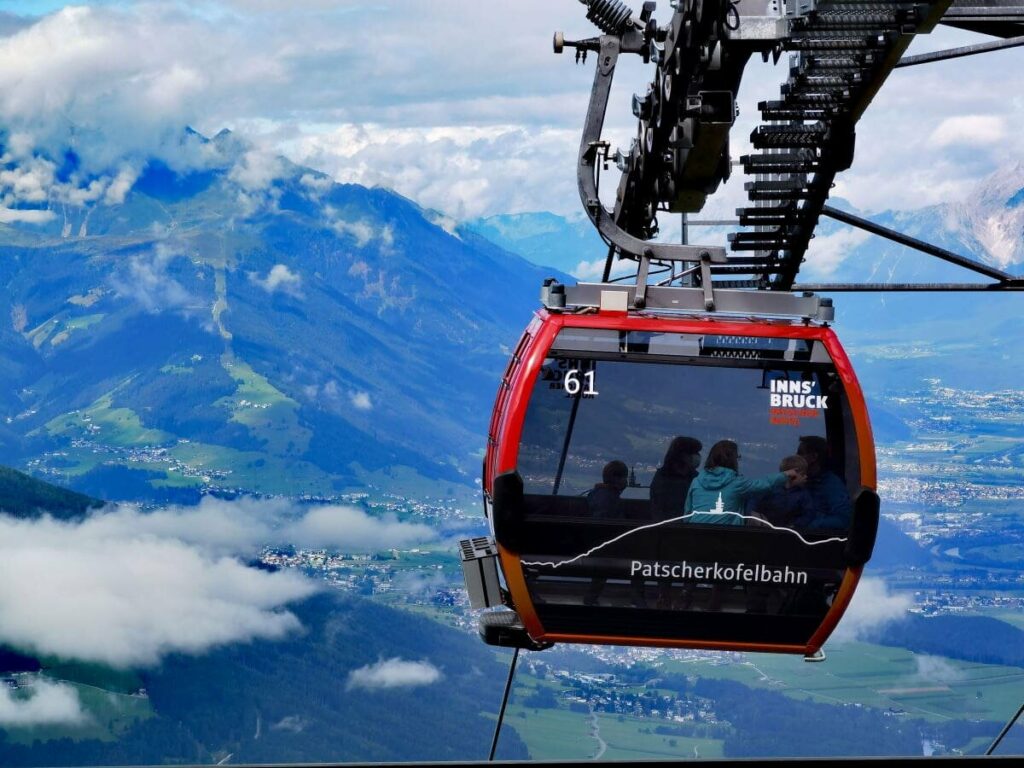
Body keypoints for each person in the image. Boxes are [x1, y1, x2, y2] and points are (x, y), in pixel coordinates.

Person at [684, 440, 799, 525]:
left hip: (697, 537)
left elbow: (688, 513)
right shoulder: (736, 483)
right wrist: (786, 474)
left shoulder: (697, 481)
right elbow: (764, 484)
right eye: (737, 457)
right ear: (733, 460)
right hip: (726, 539)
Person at [583, 461, 646, 607]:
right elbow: (605, 525)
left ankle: (591, 597)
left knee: (602, 568)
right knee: (639, 560)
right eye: (625, 478)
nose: (626, 481)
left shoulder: (596, 495)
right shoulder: (609, 498)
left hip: (598, 546)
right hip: (608, 546)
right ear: (617, 479)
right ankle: (637, 598)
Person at [796, 435, 852, 530]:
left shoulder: (831, 485)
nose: (796, 456)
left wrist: (809, 526)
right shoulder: (796, 480)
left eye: (800, 453)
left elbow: (843, 520)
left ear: (814, 457)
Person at [650, 436, 703, 521]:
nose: (698, 456)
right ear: (683, 455)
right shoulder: (665, 479)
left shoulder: (661, 475)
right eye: (694, 453)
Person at [755, 455, 814, 527]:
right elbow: (755, 505)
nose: (806, 476)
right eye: (803, 474)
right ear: (792, 475)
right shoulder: (771, 490)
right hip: (768, 530)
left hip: (790, 532)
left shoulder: (804, 494)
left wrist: (795, 525)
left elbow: (809, 514)